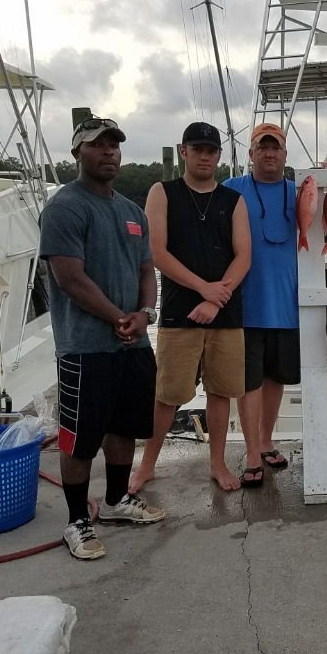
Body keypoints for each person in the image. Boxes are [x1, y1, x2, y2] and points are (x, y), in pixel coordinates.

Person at [39, 117, 164, 561]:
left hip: (133, 342)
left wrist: (144, 314)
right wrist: (117, 317)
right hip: (84, 346)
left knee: (125, 425)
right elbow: (69, 277)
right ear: (77, 153)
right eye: (97, 145)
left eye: (114, 145)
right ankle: (76, 520)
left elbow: (147, 270)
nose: (108, 152)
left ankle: (115, 502)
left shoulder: (132, 212)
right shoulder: (65, 208)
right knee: (78, 437)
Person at [128, 122, 251, 494]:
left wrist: (216, 300)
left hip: (226, 316)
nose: (204, 155)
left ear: (218, 155)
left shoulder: (234, 200)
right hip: (181, 312)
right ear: (183, 151)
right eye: (197, 148)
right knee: (167, 394)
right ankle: (146, 465)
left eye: (211, 150)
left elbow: (244, 256)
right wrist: (204, 291)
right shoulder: (161, 193)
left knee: (221, 391)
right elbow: (157, 252)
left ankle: (217, 462)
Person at [224, 123, 299, 485]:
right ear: (250, 153)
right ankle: (252, 451)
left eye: (276, 148)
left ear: (285, 155)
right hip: (244, 305)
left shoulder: (300, 192)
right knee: (248, 381)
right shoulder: (231, 190)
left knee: (275, 378)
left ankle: (267, 439)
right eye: (262, 147)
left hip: (288, 305)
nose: (270, 153)